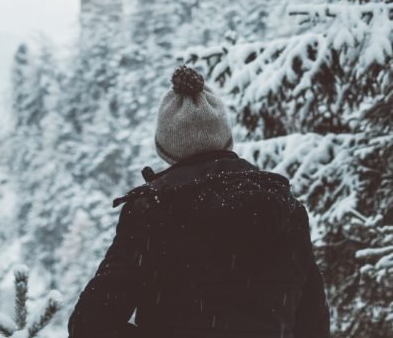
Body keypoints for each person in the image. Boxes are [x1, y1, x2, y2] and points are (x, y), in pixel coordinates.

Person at [68, 65, 330, 338]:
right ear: (226, 140)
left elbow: (89, 326)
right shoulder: (286, 208)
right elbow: (314, 324)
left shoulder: (151, 212)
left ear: (166, 148)